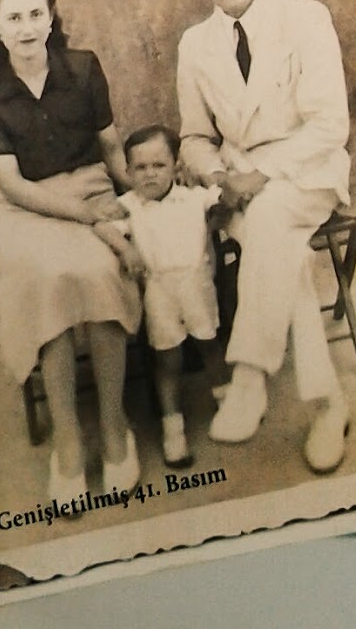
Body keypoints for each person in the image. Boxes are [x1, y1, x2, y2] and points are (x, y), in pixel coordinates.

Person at [175, 0, 352, 474]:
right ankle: (328, 405)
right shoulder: (195, 45)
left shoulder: (305, 17)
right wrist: (219, 178)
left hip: (308, 173)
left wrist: (263, 174)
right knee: (283, 251)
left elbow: (330, 125)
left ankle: (249, 375)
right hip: (240, 189)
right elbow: (194, 137)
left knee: (272, 217)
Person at [0, 0, 142, 507]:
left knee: (99, 270)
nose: (26, 27)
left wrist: (140, 198)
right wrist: (90, 219)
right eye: (14, 17)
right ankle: (68, 439)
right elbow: (13, 186)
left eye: (35, 14)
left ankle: (114, 426)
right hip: (29, 210)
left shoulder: (82, 68)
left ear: (50, 16)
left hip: (90, 187)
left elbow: (109, 147)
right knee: (44, 279)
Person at [93, 124, 225, 470]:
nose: (150, 174)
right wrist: (125, 249)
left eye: (159, 165)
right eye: (140, 167)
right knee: (167, 361)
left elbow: (222, 199)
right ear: (127, 172)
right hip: (159, 292)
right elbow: (100, 225)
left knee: (211, 346)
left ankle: (228, 402)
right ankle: (173, 428)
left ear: (175, 166)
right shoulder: (128, 206)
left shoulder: (193, 197)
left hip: (196, 285)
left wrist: (217, 207)